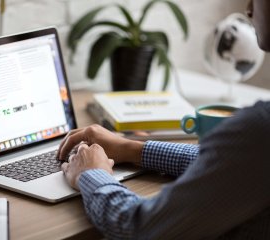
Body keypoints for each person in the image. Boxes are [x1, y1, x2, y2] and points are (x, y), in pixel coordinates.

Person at [58, 0, 270, 239]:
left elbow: (139, 228)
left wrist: (90, 174)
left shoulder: (260, 129)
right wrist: (132, 149)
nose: (249, 8)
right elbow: (232, 164)